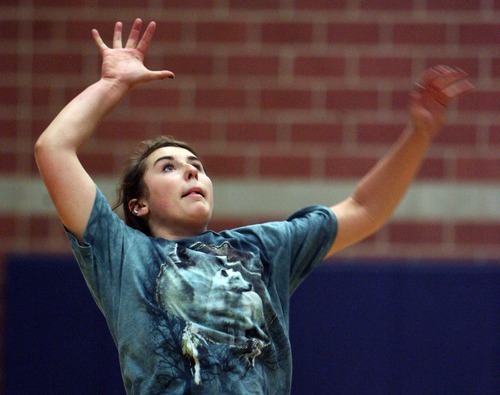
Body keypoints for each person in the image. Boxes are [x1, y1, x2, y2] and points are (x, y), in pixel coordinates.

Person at [34, 18, 473, 394]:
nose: (192, 173)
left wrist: (418, 136)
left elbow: (364, 209)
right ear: (138, 206)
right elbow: (54, 149)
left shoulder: (260, 249)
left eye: (198, 166)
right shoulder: (122, 254)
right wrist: (111, 85)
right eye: (168, 167)